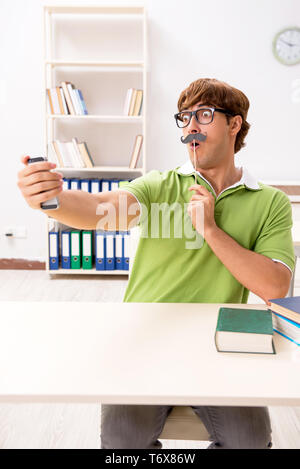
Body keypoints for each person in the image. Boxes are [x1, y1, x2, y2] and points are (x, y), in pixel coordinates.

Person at [17, 78, 295, 449]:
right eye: (184, 117)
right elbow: (103, 210)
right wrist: (52, 197)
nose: (191, 125)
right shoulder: (158, 185)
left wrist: (210, 230)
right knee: (122, 442)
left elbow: (276, 288)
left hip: (219, 344)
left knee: (250, 440)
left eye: (205, 114)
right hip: (143, 338)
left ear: (234, 124)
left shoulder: (269, 202)